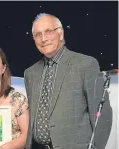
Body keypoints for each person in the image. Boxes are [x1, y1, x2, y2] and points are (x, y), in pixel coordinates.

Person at [24, 13, 112, 149]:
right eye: (37, 34)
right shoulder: (30, 73)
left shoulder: (86, 65)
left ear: (60, 33)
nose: (43, 39)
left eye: (48, 32)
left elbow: (102, 115)